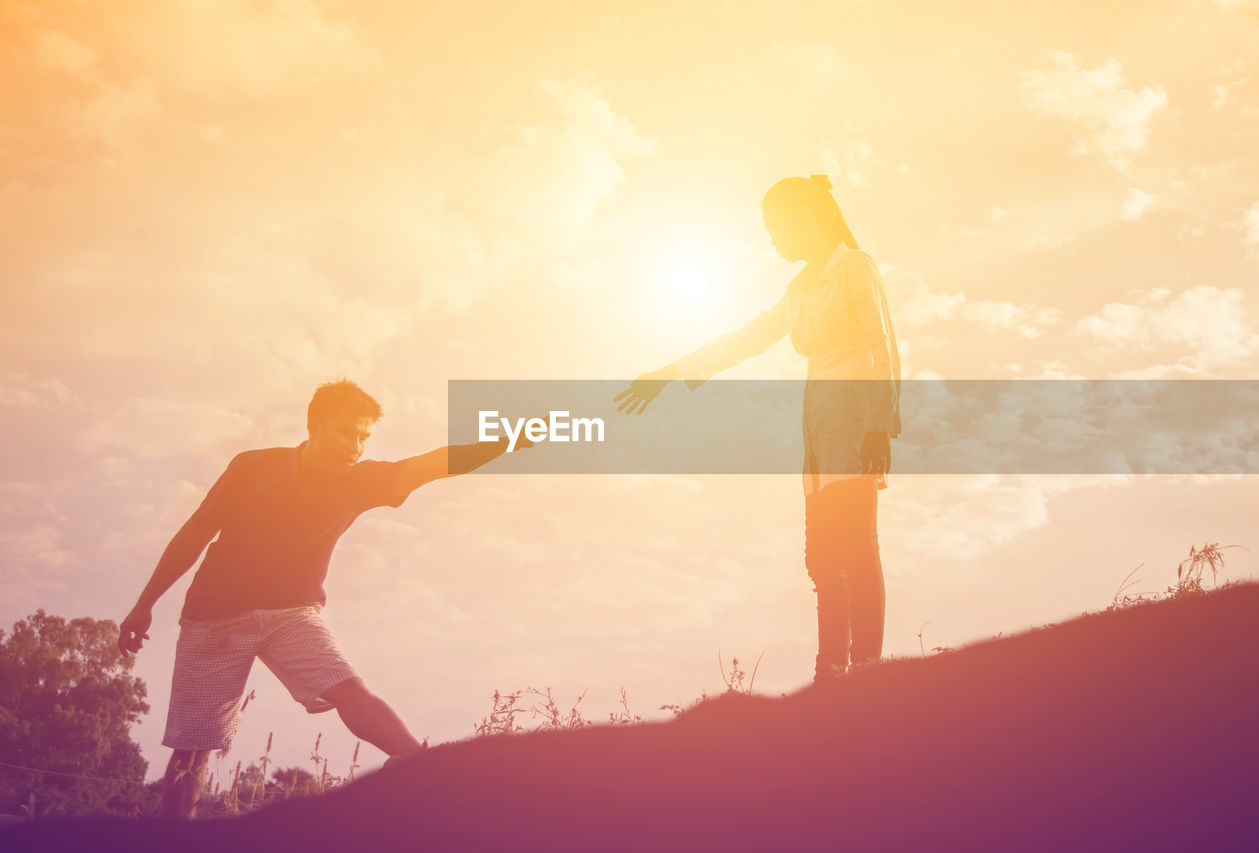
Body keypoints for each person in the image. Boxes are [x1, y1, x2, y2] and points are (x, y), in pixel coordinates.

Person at [117, 379, 522, 818]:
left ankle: (426, 771)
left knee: (350, 689)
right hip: (215, 616)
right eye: (346, 431)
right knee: (193, 748)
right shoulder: (251, 467)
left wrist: (517, 438)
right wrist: (145, 604)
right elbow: (196, 532)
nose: (356, 444)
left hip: (293, 612)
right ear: (314, 425)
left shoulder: (364, 481)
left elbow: (438, 463)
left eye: (364, 436)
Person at [614, 174, 901, 682]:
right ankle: (831, 672)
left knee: (856, 545)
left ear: (805, 218)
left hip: (856, 423)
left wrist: (881, 425)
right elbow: (747, 337)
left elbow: (882, 345)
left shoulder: (856, 268)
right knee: (821, 557)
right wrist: (673, 371)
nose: (771, 239)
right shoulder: (798, 291)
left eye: (775, 227)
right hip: (818, 431)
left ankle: (869, 672)